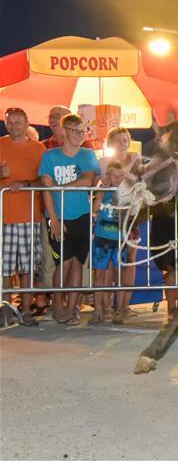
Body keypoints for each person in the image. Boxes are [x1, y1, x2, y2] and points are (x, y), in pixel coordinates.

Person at [38, 113, 100, 325]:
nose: (80, 135)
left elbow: (89, 179)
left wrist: (59, 186)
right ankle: (57, 304)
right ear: (64, 131)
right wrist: (53, 219)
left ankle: (73, 306)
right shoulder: (50, 156)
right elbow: (45, 189)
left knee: (77, 263)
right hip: (58, 216)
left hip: (81, 215)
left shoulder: (87, 154)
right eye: (75, 131)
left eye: (83, 131)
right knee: (61, 263)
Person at [0, 107, 46, 326]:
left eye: (18, 122)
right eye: (10, 122)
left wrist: (26, 184)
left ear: (27, 123)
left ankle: (26, 310)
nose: (14, 125)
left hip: (30, 216)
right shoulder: (0, 144)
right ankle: (6, 310)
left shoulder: (39, 149)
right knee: (5, 267)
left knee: (28, 267)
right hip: (4, 217)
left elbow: (44, 181)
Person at [101, 127, 141, 320]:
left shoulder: (136, 158)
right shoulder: (105, 162)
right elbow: (102, 183)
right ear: (111, 144)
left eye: (126, 139)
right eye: (119, 140)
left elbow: (139, 182)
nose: (124, 143)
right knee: (109, 262)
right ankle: (107, 306)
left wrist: (130, 169)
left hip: (130, 217)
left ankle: (124, 305)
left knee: (129, 261)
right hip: (109, 217)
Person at [89, 161, 127, 324]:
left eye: (121, 176)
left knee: (119, 275)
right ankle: (98, 309)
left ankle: (118, 310)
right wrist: (101, 192)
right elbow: (95, 208)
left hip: (119, 241)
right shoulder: (103, 191)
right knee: (99, 275)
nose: (118, 179)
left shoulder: (126, 193)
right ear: (108, 177)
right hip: (102, 239)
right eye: (114, 176)